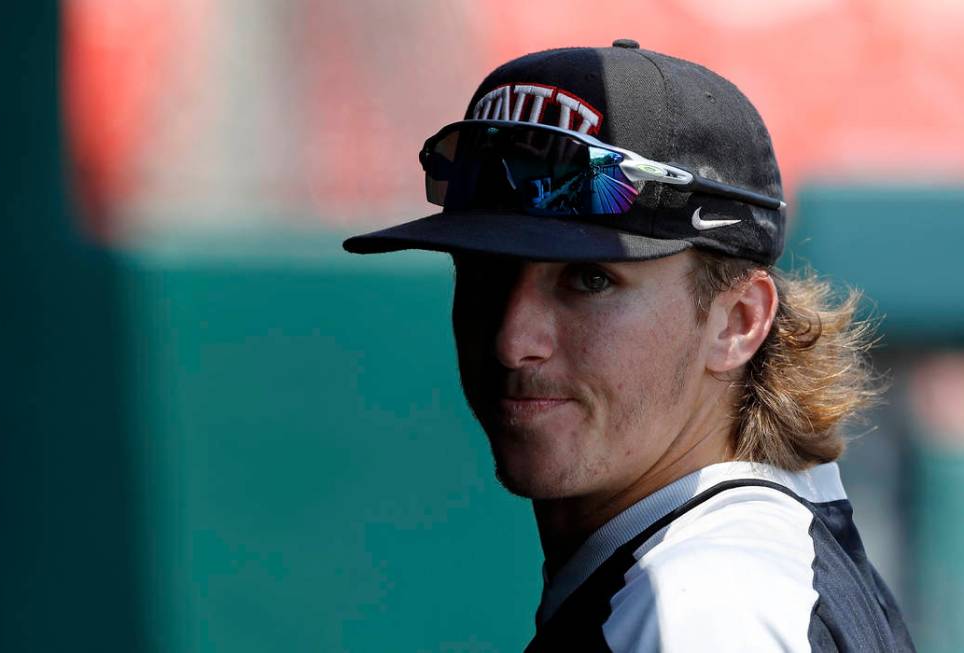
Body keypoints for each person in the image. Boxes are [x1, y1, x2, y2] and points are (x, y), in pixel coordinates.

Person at [344, 40, 915, 652]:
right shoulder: (759, 555)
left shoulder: (703, 606)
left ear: (738, 322)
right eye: (487, 275)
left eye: (589, 281)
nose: (513, 342)